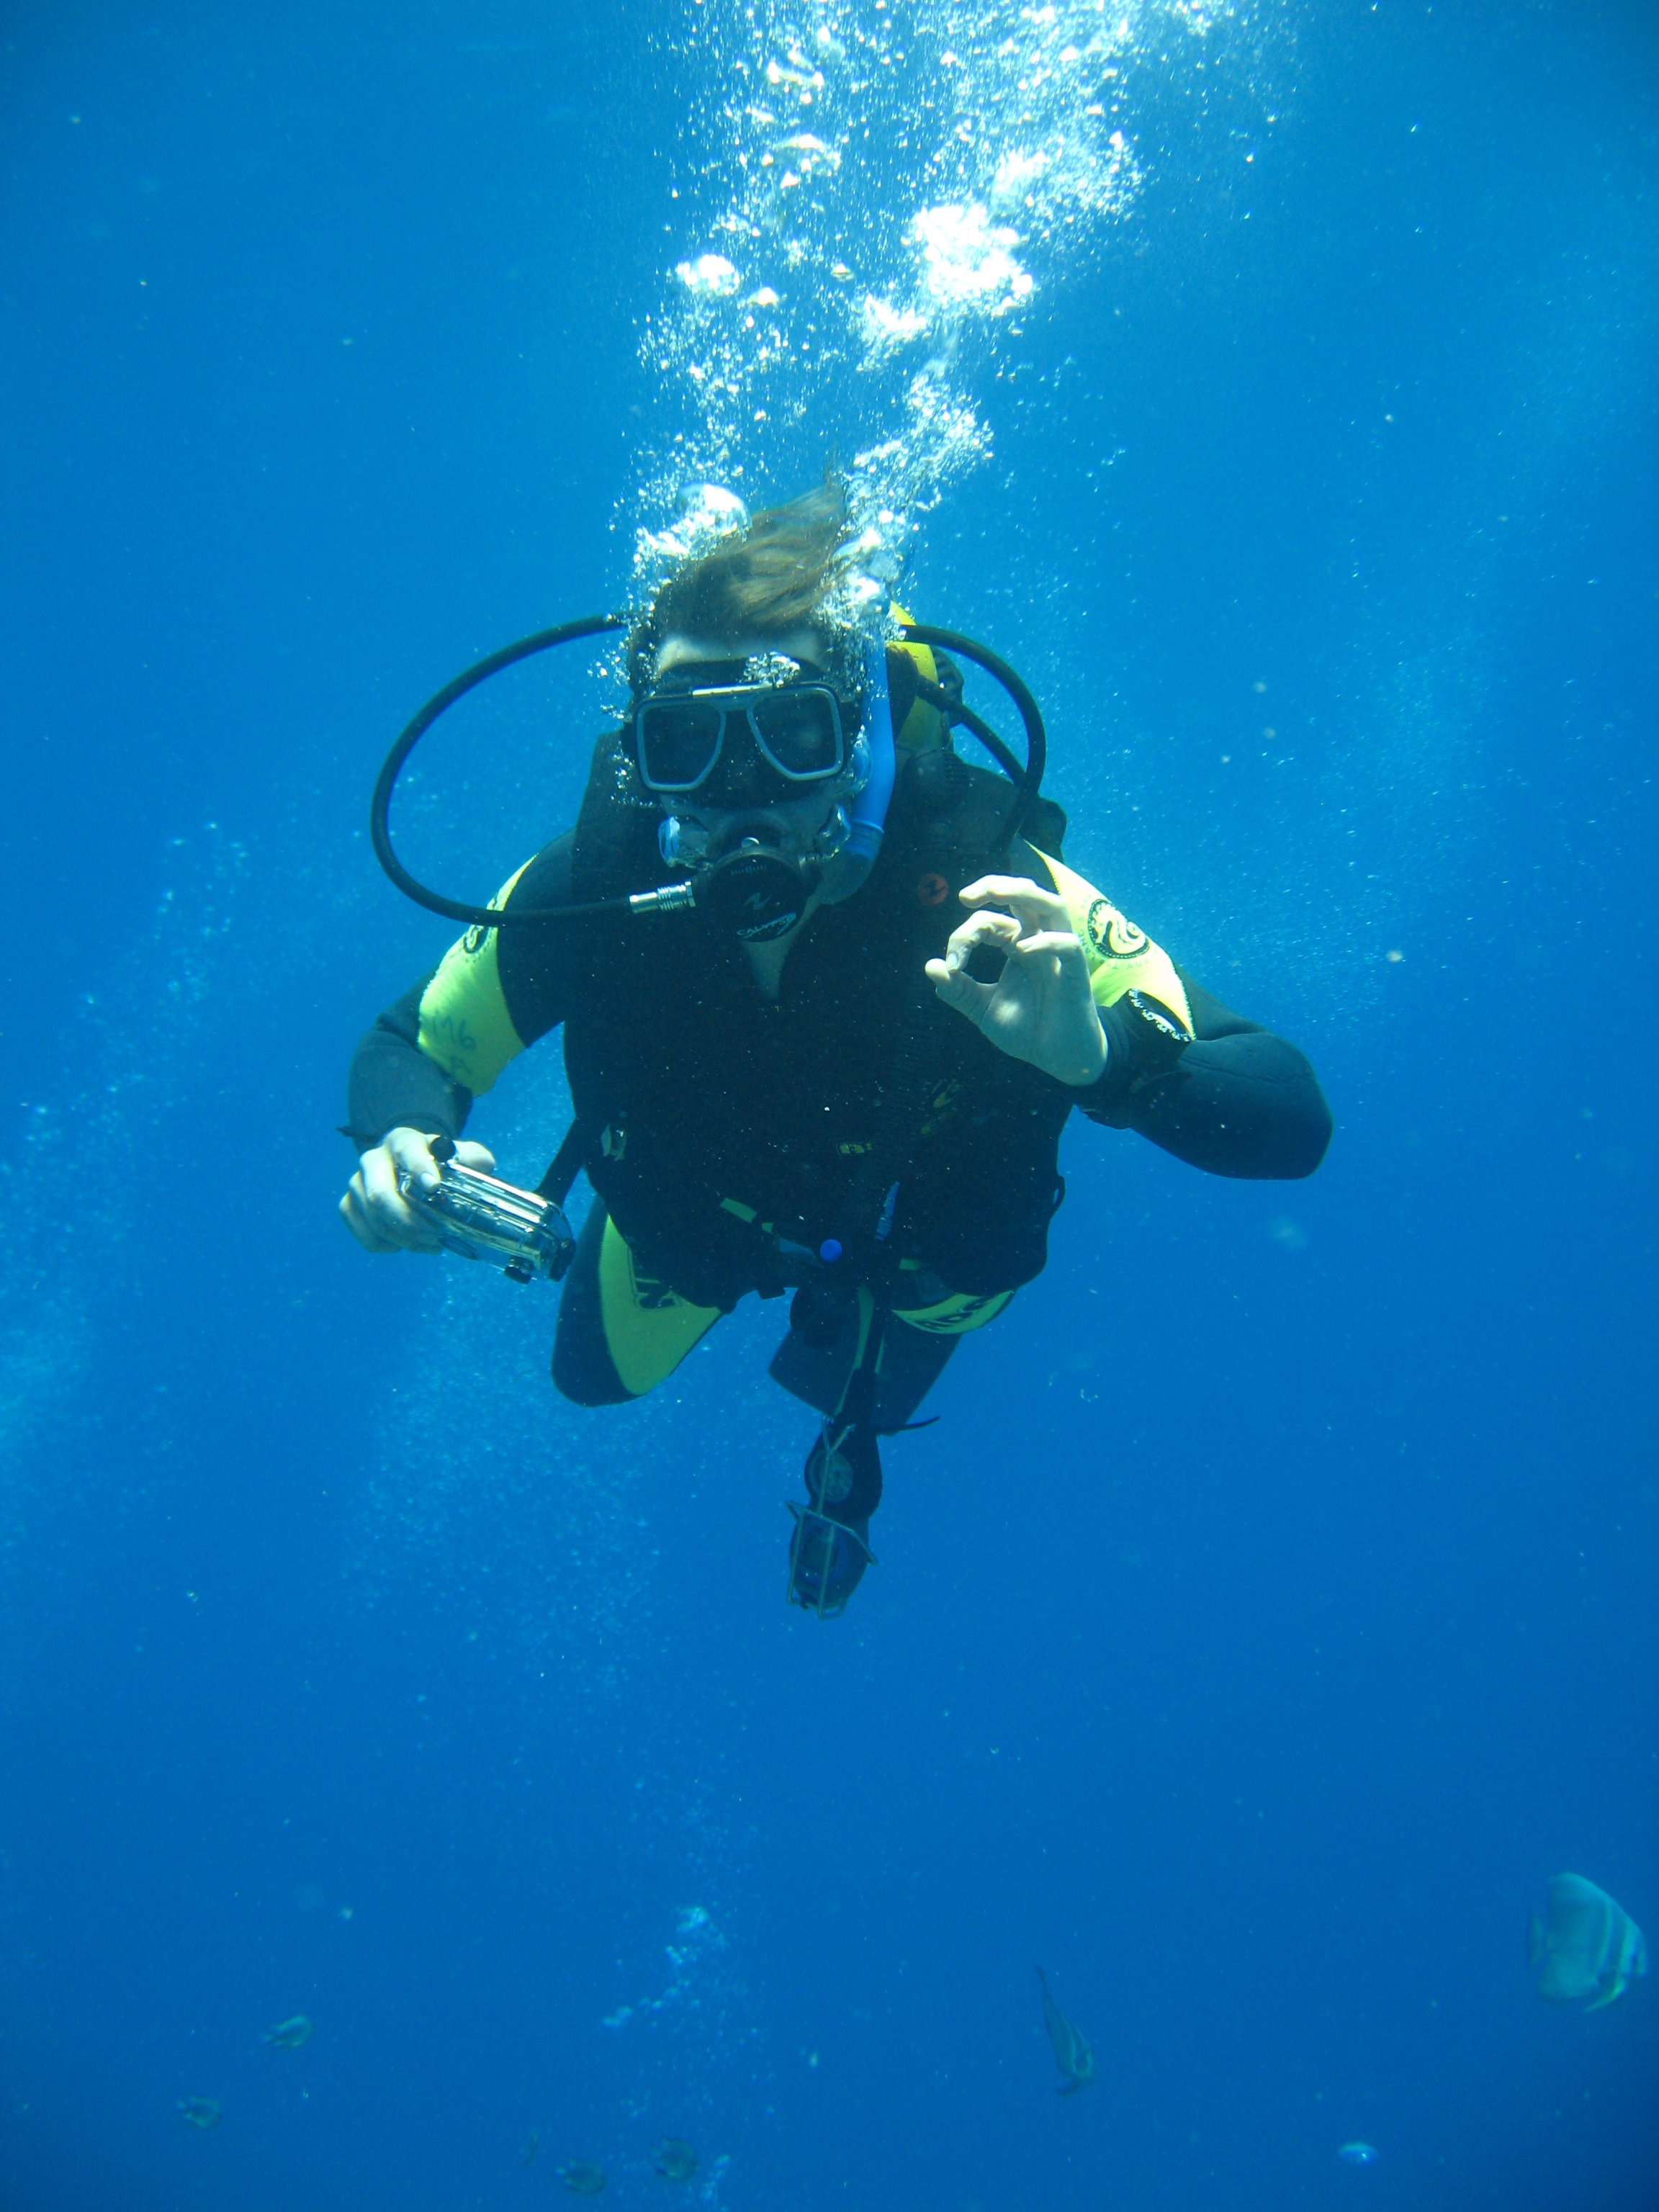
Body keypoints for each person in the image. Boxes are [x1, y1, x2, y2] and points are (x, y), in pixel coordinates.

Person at [340, 485, 1332, 1614]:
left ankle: (850, 1414)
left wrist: (1108, 1060)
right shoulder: (592, 891)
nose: (742, 799)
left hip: (927, 1254)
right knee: (589, 1381)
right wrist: (404, 1137)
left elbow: (1290, 1118)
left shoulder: (997, 897)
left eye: (792, 732)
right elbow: (413, 1044)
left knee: (860, 1388)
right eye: (688, 745)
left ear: (858, 736)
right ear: (641, 757)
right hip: (697, 1223)